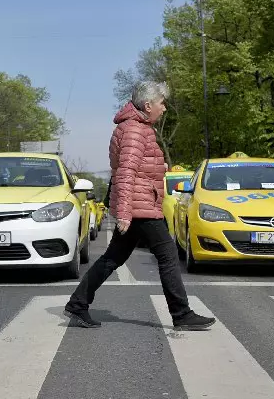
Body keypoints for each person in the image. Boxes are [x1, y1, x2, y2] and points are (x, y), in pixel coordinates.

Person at [65, 81, 216, 330]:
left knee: (113, 257)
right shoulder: (136, 130)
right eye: (161, 103)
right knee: (167, 254)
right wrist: (124, 213)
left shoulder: (134, 127)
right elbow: (125, 172)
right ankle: (181, 314)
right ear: (148, 105)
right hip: (139, 205)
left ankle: (78, 303)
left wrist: (157, 169)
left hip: (138, 202)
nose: (164, 108)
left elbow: (132, 168)